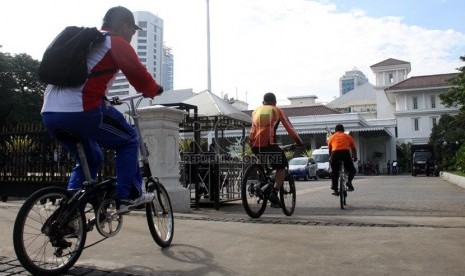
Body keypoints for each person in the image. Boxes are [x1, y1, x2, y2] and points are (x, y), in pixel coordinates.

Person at [41, 6, 164, 214]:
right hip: (81, 111)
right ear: (124, 27)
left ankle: (70, 212)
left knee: (92, 158)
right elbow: (140, 78)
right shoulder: (114, 42)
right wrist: (154, 90)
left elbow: (86, 77)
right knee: (129, 140)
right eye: (132, 31)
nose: (132, 36)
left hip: (50, 113)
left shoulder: (87, 41)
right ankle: (126, 196)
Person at [249, 92, 303, 206]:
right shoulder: (276, 110)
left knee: (261, 158)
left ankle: (261, 182)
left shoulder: (255, 111)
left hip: (253, 144)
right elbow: (289, 128)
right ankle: (274, 191)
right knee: (281, 167)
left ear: (263, 102)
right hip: (269, 144)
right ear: (275, 102)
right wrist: (299, 141)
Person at [327, 124, 357, 195]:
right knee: (352, 170)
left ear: (335, 130)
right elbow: (353, 149)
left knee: (334, 172)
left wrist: (330, 158)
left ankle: (335, 189)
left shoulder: (331, 137)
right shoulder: (348, 136)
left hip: (335, 154)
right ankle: (349, 182)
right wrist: (355, 157)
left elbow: (330, 150)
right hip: (345, 153)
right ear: (343, 130)